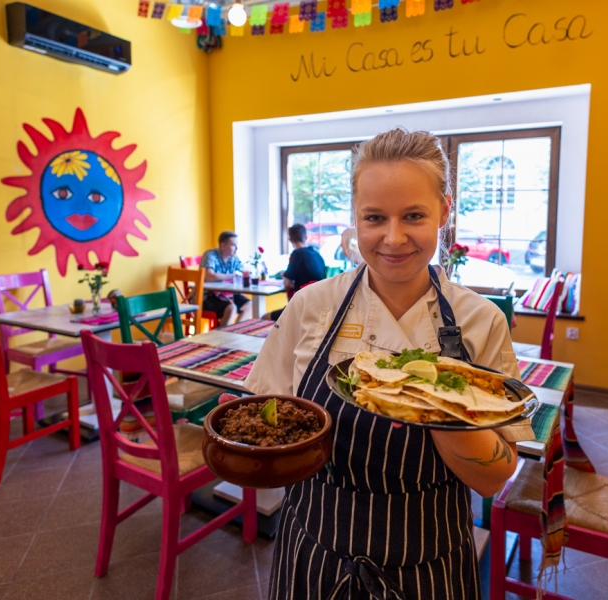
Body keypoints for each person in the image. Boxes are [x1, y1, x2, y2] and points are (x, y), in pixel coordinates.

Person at [246, 129, 519, 599]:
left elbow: (494, 475)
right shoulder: (312, 307)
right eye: (375, 217)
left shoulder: (480, 321)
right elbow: (268, 421)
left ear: (445, 212)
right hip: (313, 550)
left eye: (414, 215)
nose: (394, 238)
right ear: (356, 217)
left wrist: (426, 399)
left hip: (430, 562)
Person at [200, 231, 252, 325]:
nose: (237, 248)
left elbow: (242, 272)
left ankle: (235, 332)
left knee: (250, 305)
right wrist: (233, 275)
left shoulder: (233, 258)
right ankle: (222, 337)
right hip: (207, 296)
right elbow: (209, 277)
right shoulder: (210, 255)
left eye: (237, 245)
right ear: (223, 246)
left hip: (228, 294)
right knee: (231, 308)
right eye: (233, 245)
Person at [282, 223, 326, 295]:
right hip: (319, 299)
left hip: (304, 300)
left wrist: (297, 286)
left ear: (290, 240)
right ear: (306, 237)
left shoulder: (296, 254)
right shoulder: (317, 255)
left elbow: (287, 284)